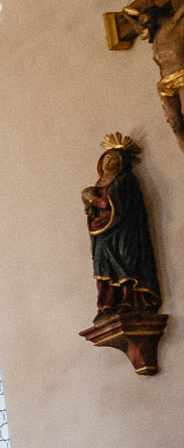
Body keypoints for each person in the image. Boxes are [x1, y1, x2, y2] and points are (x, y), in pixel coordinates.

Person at [81, 135, 161, 315]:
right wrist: (89, 203)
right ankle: (108, 303)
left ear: (122, 163)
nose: (110, 162)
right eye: (107, 158)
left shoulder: (125, 180)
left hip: (123, 230)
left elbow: (111, 204)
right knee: (102, 263)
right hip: (102, 233)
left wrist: (91, 197)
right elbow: (95, 209)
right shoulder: (99, 183)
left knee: (125, 261)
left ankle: (129, 300)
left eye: (115, 159)